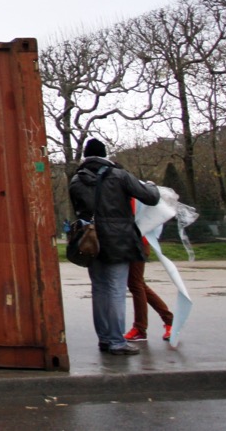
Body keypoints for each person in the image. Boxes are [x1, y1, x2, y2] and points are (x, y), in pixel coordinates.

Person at [69, 138, 160, 355]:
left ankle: (104, 339)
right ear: (104, 154)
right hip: (119, 240)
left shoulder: (76, 180)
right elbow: (150, 198)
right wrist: (152, 186)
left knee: (99, 289)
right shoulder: (119, 175)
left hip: (91, 241)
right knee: (116, 290)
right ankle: (117, 341)